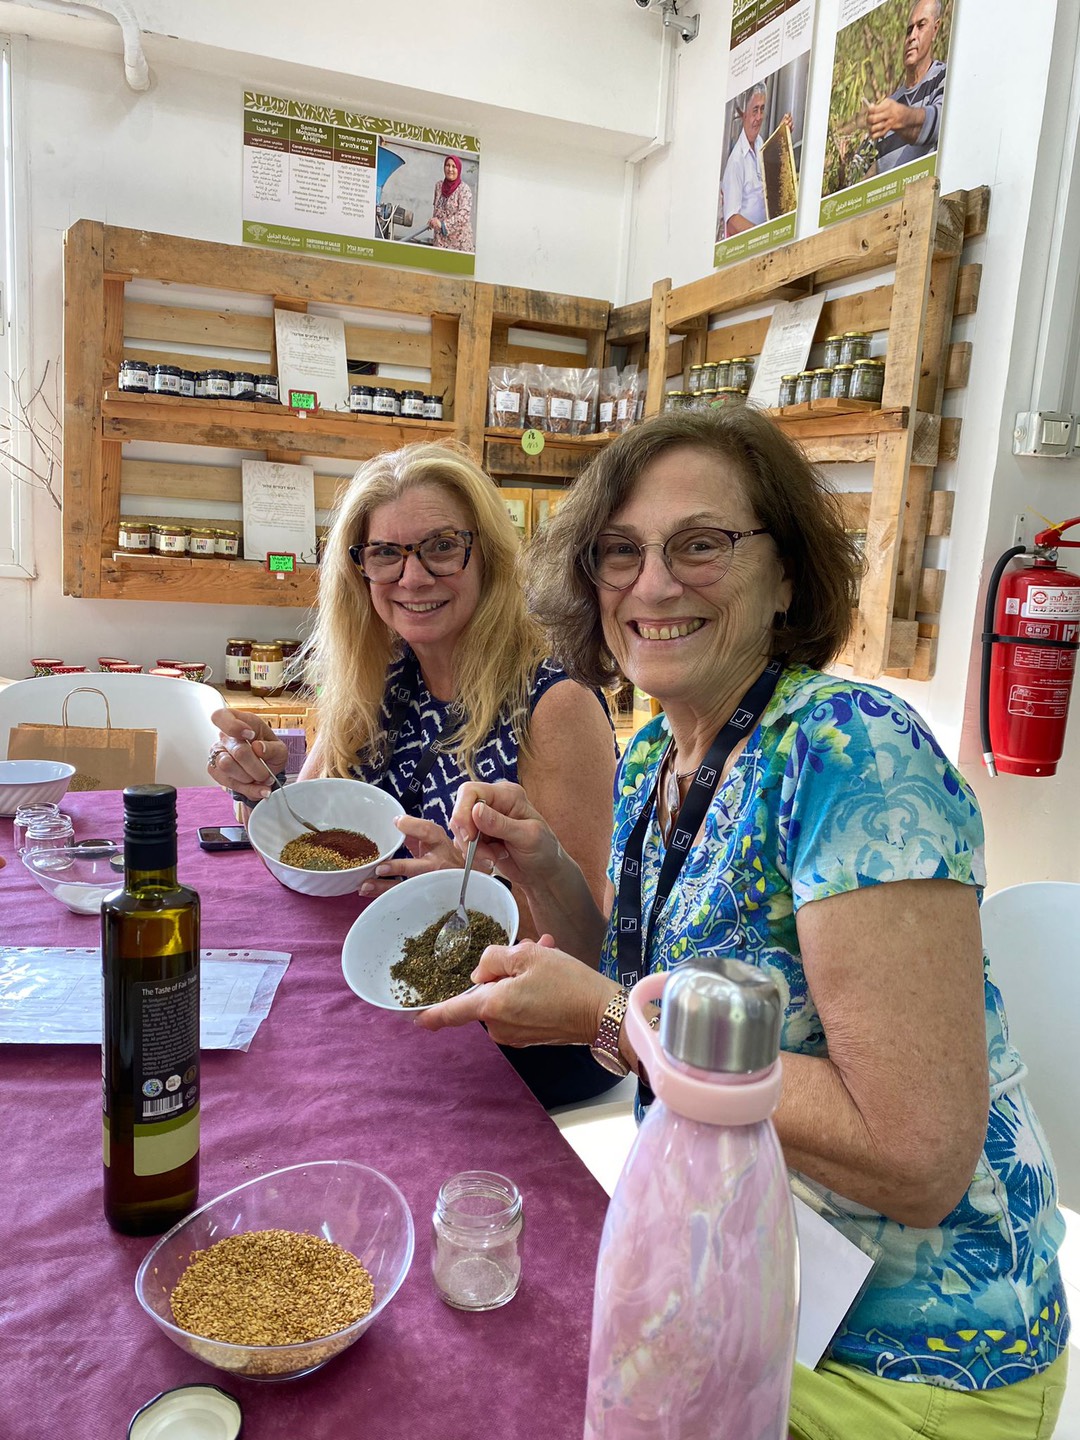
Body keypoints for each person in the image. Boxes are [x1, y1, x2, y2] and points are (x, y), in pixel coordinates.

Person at [418, 409, 1070, 1437]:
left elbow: (916, 1154)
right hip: (731, 1264)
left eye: (703, 545)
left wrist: (603, 1015)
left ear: (788, 578)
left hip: (906, 1352)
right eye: (621, 552)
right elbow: (644, 980)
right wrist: (541, 861)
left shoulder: (852, 752)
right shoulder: (655, 759)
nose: (654, 583)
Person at [206, 440, 618, 1108]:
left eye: (441, 547)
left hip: (510, 1037)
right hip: (392, 981)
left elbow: (578, 943)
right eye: (386, 554)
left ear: (487, 554)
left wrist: (476, 886)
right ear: (359, 571)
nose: (412, 577)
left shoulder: (556, 701)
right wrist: (261, 791)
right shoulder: (376, 675)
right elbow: (300, 848)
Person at [867, 0, 947, 175]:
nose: (912, 37)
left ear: (935, 29)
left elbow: (941, 123)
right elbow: (864, 169)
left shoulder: (945, 77)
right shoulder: (889, 104)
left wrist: (901, 118)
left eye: (921, 26)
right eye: (909, 30)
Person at [721, 85, 793, 237]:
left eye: (762, 109)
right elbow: (732, 221)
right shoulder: (736, 161)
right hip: (749, 245)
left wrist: (782, 136)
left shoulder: (760, 142)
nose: (759, 117)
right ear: (744, 115)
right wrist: (763, 236)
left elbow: (773, 180)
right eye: (755, 110)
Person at [429, 155, 474, 252]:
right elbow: (437, 208)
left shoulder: (464, 190)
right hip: (440, 242)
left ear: (459, 169)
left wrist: (443, 225)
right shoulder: (439, 186)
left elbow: (463, 216)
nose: (450, 169)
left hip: (459, 243)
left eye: (454, 166)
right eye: (447, 165)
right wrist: (434, 221)